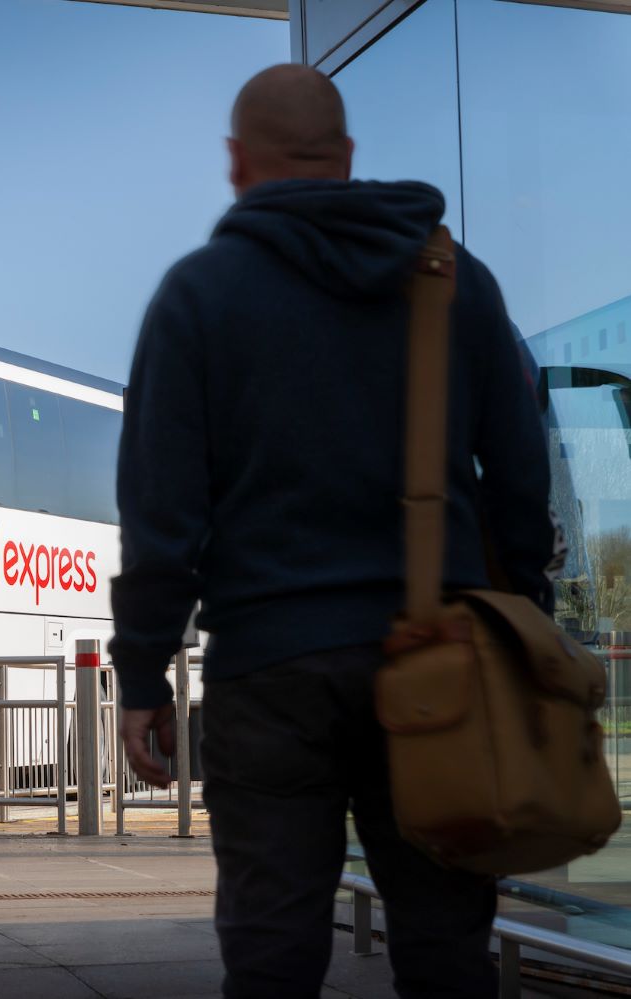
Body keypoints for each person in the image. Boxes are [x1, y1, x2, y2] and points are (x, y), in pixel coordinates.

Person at [111, 64, 554, 998]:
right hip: (436, 661)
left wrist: (145, 672)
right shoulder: (454, 282)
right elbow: (520, 480)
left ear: (237, 163)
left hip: (268, 672)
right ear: (347, 157)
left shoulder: (197, 296)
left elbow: (161, 512)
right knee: (445, 950)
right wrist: (528, 630)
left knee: (272, 954)